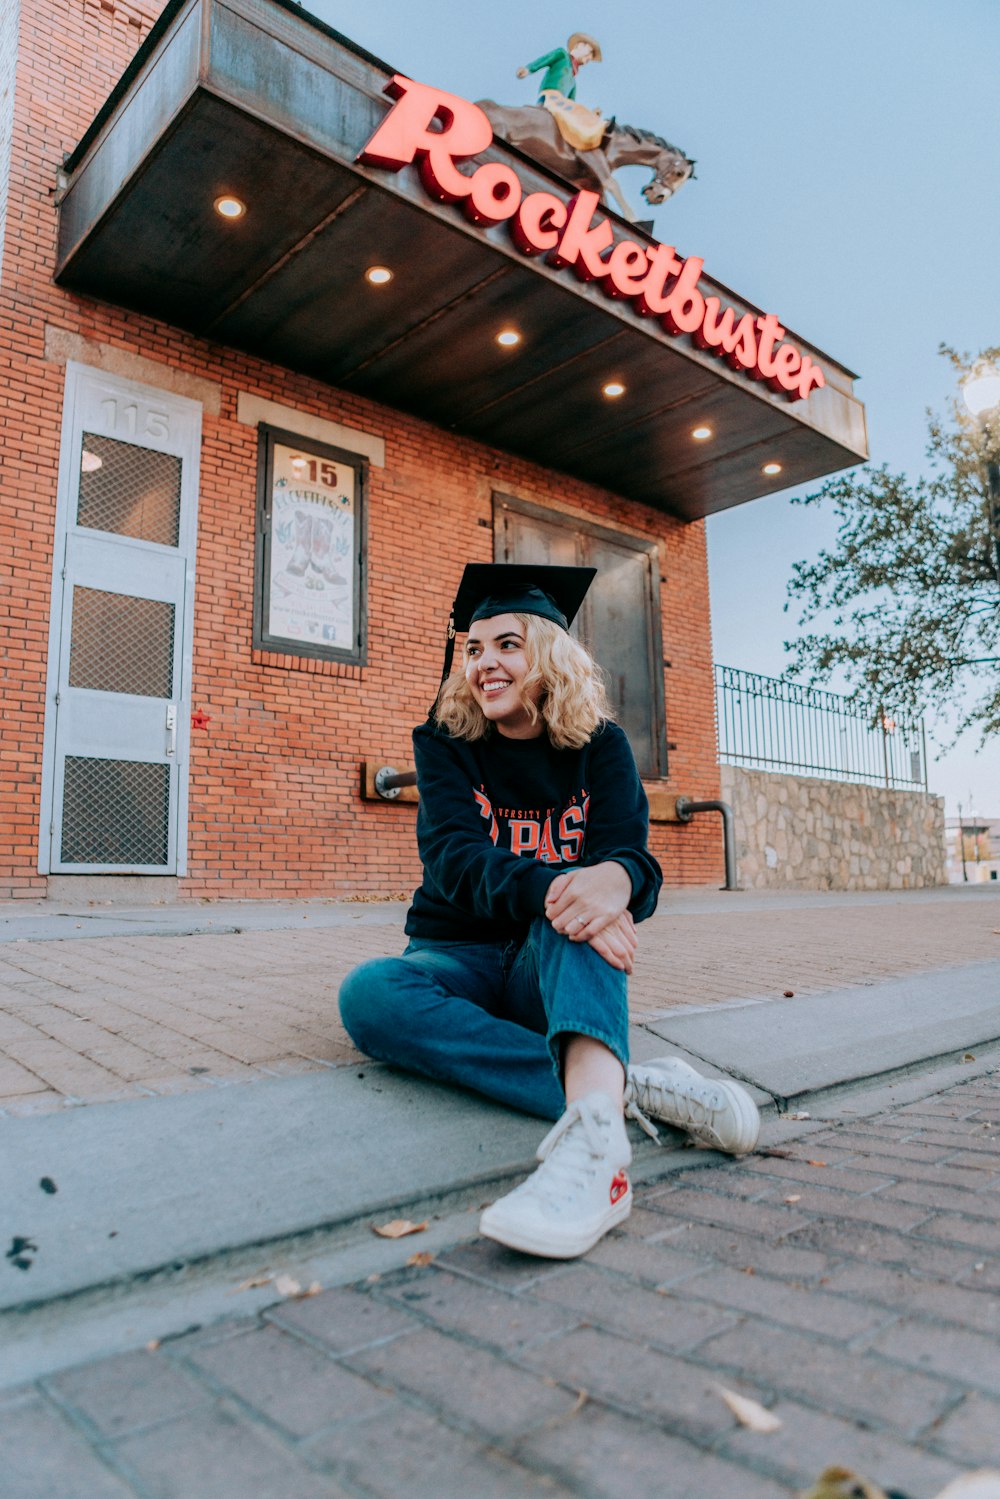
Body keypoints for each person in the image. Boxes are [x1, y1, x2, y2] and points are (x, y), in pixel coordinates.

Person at [339, 564, 759, 1259]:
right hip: (456, 955)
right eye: (473, 649)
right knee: (370, 993)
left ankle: (595, 1163)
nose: (485, 664)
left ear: (548, 650)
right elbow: (453, 859)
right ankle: (623, 1087)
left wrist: (616, 881)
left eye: (506, 644)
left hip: (550, 962)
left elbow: (633, 860)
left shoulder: (601, 747)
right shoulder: (444, 742)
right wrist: (573, 888)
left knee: (583, 914)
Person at [516, 33, 602, 103]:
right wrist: (528, 69)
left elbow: (571, 102)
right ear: (579, 45)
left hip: (562, 103)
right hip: (549, 97)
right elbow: (543, 60)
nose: (590, 58)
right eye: (590, 51)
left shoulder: (573, 81)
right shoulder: (562, 55)